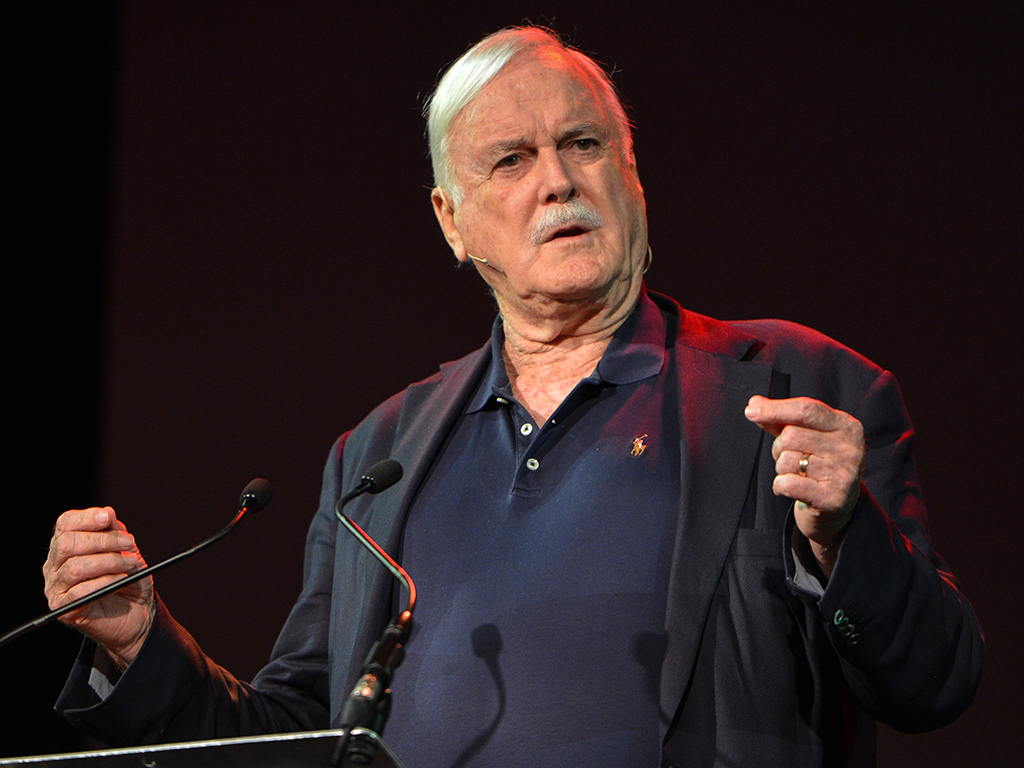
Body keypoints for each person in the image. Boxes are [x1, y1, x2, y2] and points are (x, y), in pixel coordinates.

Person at [43, 26, 982, 767]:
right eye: (512, 160)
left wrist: (844, 538)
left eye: (584, 144)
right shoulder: (379, 455)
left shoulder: (797, 385)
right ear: (452, 222)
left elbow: (934, 684)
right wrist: (140, 643)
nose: (560, 181)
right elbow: (305, 737)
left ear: (632, 175)